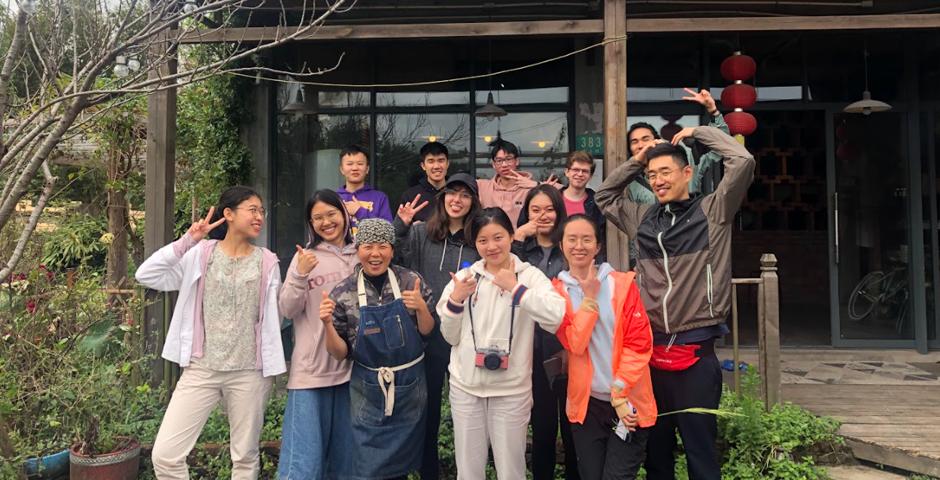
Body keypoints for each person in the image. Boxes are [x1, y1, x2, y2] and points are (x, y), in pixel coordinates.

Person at [595, 126, 755, 480]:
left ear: (687, 173)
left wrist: (701, 131)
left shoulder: (713, 210)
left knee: (700, 451)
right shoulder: (643, 218)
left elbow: (742, 161)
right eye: (652, 176)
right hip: (650, 354)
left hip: (695, 351)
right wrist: (637, 161)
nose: (657, 180)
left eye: (664, 171)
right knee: (656, 453)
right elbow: (604, 196)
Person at [137, 186, 285, 480]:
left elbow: (274, 319)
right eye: (252, 210)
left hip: (249, 372)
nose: (259, 217)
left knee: (244, 457)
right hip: (201, 369)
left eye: (262, 211)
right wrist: (188, 240)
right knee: (166, 455)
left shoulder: (267, 261)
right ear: (228, 214)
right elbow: (147, 275)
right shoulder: (200, 254)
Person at [436, 208, 566, 479]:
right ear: (475, 243)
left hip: (511, 391)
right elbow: (449, 336)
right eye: (483, 240)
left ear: (511, 236)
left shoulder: (528, 276)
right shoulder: (464, 278)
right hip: (466, 389)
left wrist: (516, 289)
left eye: (498, 237)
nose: (491, 246)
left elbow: (555, 316)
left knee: (511, 471)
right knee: (469, 472)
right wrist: (456, 300)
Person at [319, 218, 435, 480]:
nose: (375, 254)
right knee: (367, 464)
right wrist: (326, 324)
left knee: (403, 465)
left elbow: (428, 331)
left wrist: (421, 308)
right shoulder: (342, 292)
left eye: (382, 246)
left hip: (410, 387)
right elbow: (339, 353)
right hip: (367, 388)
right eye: (368, 246)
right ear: (358, 250)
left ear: (392, 250)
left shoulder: (410, 281)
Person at [552, 214, 657, 480]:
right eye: (571, 239)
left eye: (587, 239)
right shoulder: (556, 293)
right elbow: (574, 343)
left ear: (598, 246)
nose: (579, 246)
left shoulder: (621, 285)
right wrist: (588, 299)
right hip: (587, 406)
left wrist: (620, 392)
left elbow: (639, 343)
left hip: (627, 401)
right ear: (561, 245)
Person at [393, 172, 482, 480]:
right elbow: (390, 255)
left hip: (466, 336)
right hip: (427, 333)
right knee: (427, 410)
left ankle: (467, 471)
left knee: (467, 412)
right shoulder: (421, 234)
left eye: (465, 195)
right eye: (451, 194)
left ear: (473, 202)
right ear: (443, 199)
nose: (457, 200)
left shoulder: (477, 241)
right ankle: (428, 469)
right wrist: (400, 225)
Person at [277, 189, 357, 480]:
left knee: (346, 463)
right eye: (318, 218)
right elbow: (287, 309)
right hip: (313, 372)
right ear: (311, 224)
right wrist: (299, 274)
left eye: (331, 214)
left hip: (354, 373)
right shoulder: (305, 258)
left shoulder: (363, 254)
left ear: (345, 214)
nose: (326, 222)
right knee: (303, 464)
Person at [513, 185, 579, 480]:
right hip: (530, 348)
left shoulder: (571, 247)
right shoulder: (521, 251)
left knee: (573, 425)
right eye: (535, 210)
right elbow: (504, 277)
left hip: (569, 347)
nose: (543, 216)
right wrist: (518, 237)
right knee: (541, 427)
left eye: (549, 209)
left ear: (559, 212)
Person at [627, 89, 730, 205]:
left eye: (645, 139)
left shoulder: (686, 161)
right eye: (634, 141)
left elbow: (722, 143)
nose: (641, 145)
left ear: (656, 140)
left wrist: (713, 111)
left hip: (690, 222)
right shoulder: (630, 182)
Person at [477, 139, 559, 227]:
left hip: (524, 239)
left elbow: (565, 190)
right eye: (499, 160)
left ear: (517, 161)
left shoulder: (531, 188)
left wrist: (536, 185)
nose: (504, 165)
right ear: (493, 164)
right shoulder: (483, 187)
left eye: (508, 159)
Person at [336, 145, 394, 234]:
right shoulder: (334, 198)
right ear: (342, 169)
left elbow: (387, 232)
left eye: (360, 164)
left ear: (367, 169)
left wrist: (359, 211)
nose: (355, 168)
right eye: (349, 164)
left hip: (370, 247)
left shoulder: (380, 197)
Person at [561, 151, 606, 260]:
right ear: (567, 172)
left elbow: (600, 238)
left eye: (585, 171)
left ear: (590, 176)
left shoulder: (597, 204)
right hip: (556, 261)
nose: (580, 174)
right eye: (576, 170)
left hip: (586, 260)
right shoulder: (553, 199)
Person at [399, 141, 451, 225]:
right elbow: (399, 232)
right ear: (423, 166)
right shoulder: (410, 196)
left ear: (447, 163)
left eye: (441, 160)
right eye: (431, 161)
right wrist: (408, 227)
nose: (437, 166)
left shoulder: (456, 192)